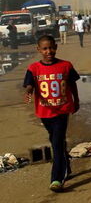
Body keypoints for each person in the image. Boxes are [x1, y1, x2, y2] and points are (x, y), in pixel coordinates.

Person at [23, 35, 79, 192]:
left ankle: (57, 178)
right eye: (45, 49)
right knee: (56, 139)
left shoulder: (65, 66)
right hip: (45, 111)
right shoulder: (34, 68)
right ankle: (66, 165)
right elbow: (29, 84)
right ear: (39, 50)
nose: (49, 51)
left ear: (56, 47)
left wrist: (76, 101)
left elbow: (72, 84)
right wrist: (28, 92)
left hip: (62, 110)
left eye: (51, 48)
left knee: (56, 143)